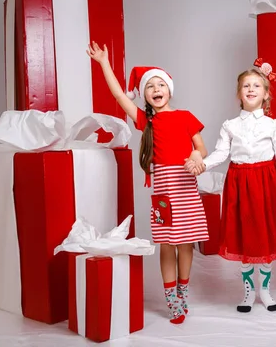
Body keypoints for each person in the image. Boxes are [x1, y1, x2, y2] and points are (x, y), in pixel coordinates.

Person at [87, 42, 209, 324]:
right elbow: (118, 95)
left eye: (160, 85)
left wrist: (194, 153)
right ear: (144, 95)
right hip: (165, 191)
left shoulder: (186, 116)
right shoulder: (145, 121)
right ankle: (171, 300)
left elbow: (201, 148)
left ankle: (183, 290)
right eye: (150, 86)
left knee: (187, 244)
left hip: (187, 188)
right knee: (167, 244)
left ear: (169, 89)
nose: (156, 90)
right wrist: (104, 63)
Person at [186, 58, 276, 313]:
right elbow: (221, 153)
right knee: (244, 236)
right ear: (239, 93)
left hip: (266, 182)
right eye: (246, 85)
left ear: (266, 94)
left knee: (264, 236)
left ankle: (265, 291)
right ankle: (248, 292)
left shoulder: (273, 125)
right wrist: (202, 164)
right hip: (239, 182)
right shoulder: (230, 126)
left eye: (257, 85)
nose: (251, 89)